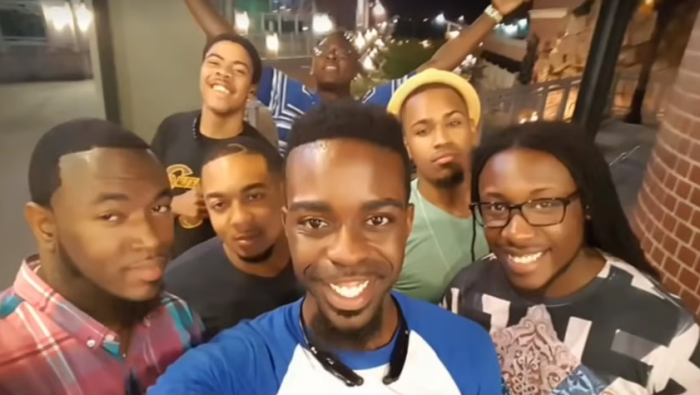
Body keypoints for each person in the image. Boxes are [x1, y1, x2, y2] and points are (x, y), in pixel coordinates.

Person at [149, 102, 503, 394]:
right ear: (288, 226)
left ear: (406, 225)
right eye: (315, 223)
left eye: (377, 220)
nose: (347, 253)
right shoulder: (238, 367)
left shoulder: (468, 351)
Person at [442, 121, 700, 394]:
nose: (515, 233)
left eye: (545, 204)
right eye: (496, 206)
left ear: (587, 204)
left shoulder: (667, 339)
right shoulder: (465, 294)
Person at [0, 119, 203, 394]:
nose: (151, 239)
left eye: (159, 208)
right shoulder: (8, 359)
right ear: (44, 226)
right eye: (111, 216)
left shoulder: (177, 315)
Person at [183, 0, 528, 150]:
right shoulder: (287, 95)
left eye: (343, 52)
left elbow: (435, 67)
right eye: (323, 51)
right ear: (313, 66)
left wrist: (494, 12)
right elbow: (230, 42)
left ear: (356, 67)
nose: (332, 54)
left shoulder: (373, 105)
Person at [165, 136, 302, 341]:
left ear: (286, 192)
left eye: (254, 196)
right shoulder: (178, 292)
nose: (240, 218)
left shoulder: (325, 260)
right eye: (220, 205)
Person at [152, 33, 273, 258]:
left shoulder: (259, 155)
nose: (223, 73)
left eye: (238, 70)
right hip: (165, 274)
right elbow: (143, 203)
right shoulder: (172, 129)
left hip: (224, 280)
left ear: (251, 92)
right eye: (214, 63)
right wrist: (174, 205)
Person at [386, 69, 490, 304]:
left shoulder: (504, 201)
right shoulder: (393, 220)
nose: (442, 139)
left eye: (453, 123)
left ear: (473, 131)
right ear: (407, 146)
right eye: (422, 131)